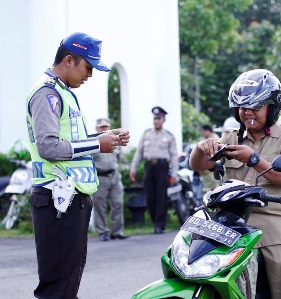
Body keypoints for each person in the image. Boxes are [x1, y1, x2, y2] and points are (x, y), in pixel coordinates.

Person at [25, 32, 130, 299]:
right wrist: (97, 145)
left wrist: (104, 138)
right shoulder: (47, 94)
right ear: (69, 60)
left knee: (68, 280)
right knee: (58, 286)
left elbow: (69, 142)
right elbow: (48, 147)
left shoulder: (63, 92)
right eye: (89, 67)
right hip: (56, 199)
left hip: (69, 198)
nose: (91, 75)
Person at [189, 69, 281, 298]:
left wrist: (252, 159)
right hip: (232, 228)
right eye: (243, 108)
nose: (248, 113)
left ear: (271, 107)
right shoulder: (231, 137)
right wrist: (200, 147)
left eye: (255, 107)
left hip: (277, 229)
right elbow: (199, 165)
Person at [129, 106, 178, 234]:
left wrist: (174, 173)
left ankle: (159, 224)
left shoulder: (169, 136)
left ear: (164, 120)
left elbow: (174, 155)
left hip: (162, 167)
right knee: (150, 196)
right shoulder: (146, 134)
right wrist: (133, 169)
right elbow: (139, 152)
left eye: (159, 118)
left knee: (161, 196)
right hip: (149, 166)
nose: (156, 121)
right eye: (155, 118)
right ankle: (155, 221)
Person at [93, 118, 129, 241]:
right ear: (97, 129)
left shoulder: (114, 140)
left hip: (114, 176)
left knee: (118, 203)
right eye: (102, 127)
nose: (104, 129)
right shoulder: (93, 142)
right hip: (100, 177)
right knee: (100, 205)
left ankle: (117, 231)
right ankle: (102, 232)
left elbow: (117, 158)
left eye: (106, 126)